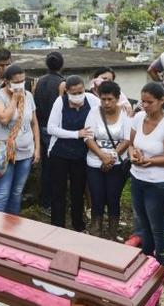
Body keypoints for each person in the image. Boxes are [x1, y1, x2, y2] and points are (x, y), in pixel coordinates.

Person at [128, 82, 164, 266]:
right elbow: (131, 143)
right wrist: (133, 155)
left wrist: (149, 161)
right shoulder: (138, 117)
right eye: (143, 101)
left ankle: (161, 264)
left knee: (158, 228)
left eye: (149, 102)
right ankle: (146, 260)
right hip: (137, 178)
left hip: (159, 184)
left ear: (162, 101)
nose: (145, 105)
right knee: (143, 225)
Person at [48, 75, 99, 231]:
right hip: (60, 152)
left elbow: (109, 105)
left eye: (80, 91)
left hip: (81, 154)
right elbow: (52, 128)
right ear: (67, 91)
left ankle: (78, 225)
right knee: (59, 191)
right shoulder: (60, 102)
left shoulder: (91, 100)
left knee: (78, 191)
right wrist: (77, 134)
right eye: (74, 93)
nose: (78, 95)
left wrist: (125, 105)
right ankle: (57, 226)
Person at [0, 65, 40, 215]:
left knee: (17, 192)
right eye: (16, 81)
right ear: (7, 81)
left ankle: (11, 228)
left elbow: (34, 122)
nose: (20, 84)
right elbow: (4, 118)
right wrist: (15, 100)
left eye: (23, 81)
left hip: (25, 153)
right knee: (1, 194)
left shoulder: (28, 95)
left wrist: (37, 149)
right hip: (4, 153)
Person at [83, 81, 131, 239]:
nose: (106, 103)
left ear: (117, 98)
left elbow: (126, 139)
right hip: (95, 162)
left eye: (110, 99)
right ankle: (95, 230)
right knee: (97, 197)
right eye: (103, 99)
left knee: (113, 198)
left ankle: (112, 233)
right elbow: (88, 138)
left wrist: (112, 156)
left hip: (116, 164)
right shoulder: (94, 112)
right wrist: (102, 156)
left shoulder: (124, 113)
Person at [33, 51, 66, 216]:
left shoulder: (39, 82)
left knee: (45, 167)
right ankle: (50, 202)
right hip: (55, 130)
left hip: (40, 127)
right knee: (55, 168)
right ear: (62, 65)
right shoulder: (63, 83)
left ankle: (44, 201)